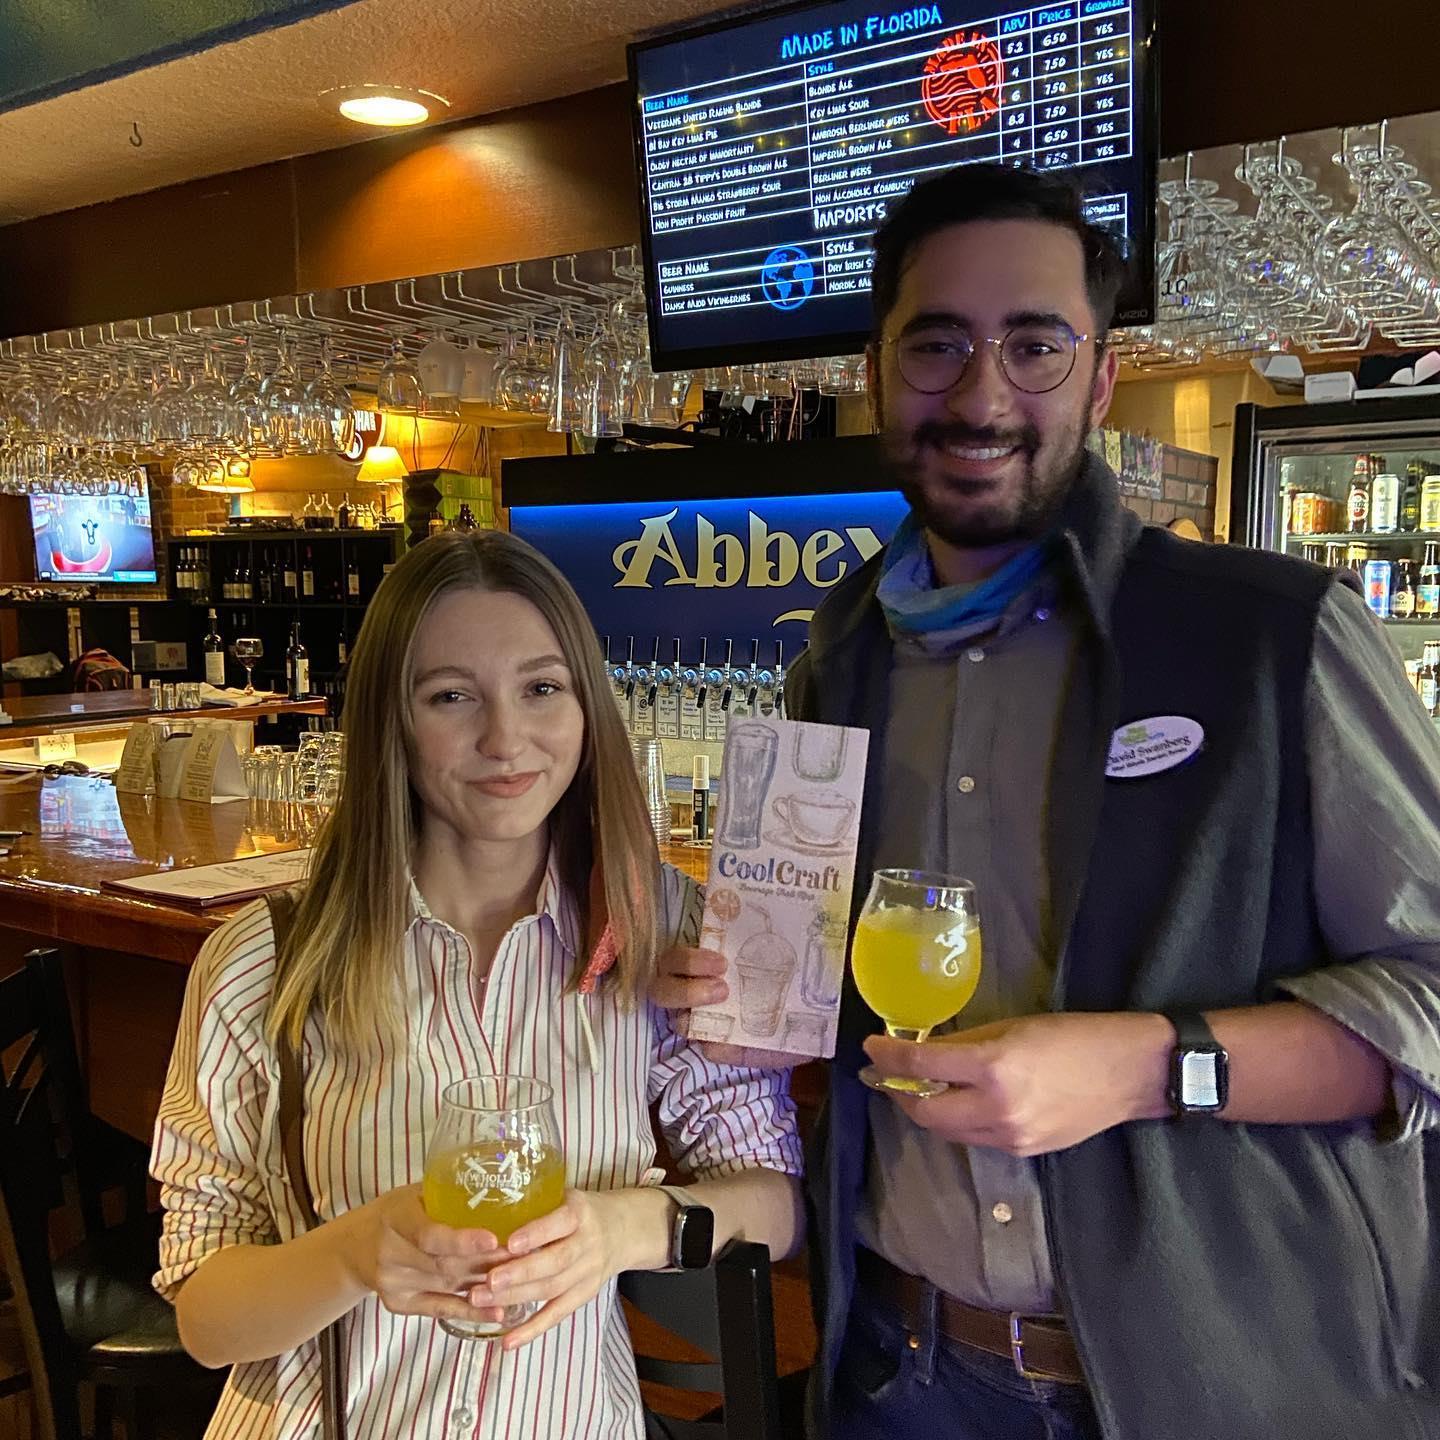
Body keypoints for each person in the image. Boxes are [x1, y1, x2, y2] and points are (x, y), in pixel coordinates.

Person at [655, 163, 1440, 1440]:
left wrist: (1150, 1067)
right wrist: (739, 999)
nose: (980, 395)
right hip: (900, 1373)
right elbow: (821, 1002)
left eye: (1034, 344)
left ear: (1101, 374)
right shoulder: (836, 661)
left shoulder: (1276, 639)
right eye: (938, 343)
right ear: (876, 369)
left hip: (1217, 1388)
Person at [151, 529, 804, 1439]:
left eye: (542, 688)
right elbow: (206, 1321)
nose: (507, 739)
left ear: (586, 707)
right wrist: (352, 1253)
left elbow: (771, 1205)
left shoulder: (660, 936)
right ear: (391, 719)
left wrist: (621, 1231)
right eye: (452, 697)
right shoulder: (264, 963)